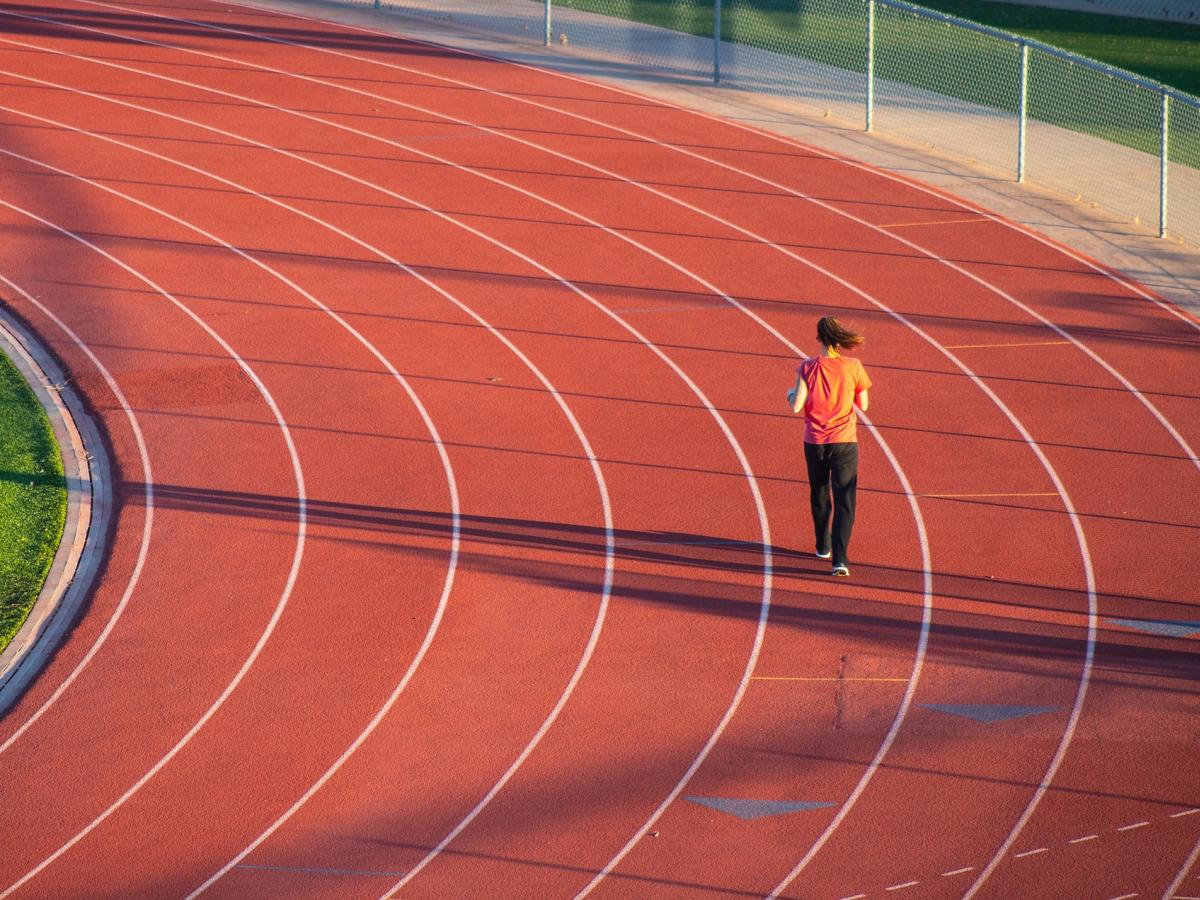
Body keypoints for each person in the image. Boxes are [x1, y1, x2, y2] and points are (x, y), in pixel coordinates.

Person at [787, 317, 871, 577]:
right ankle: (840, 560)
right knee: (845, 499)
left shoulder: (807, 367)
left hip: (815, 442)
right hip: (845, 441)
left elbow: (796, 405)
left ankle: (822, 544)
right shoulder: (854, 366)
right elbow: (864, 405)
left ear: (818, 339)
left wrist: (790, 394)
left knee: (820, 493)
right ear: (839, 338)